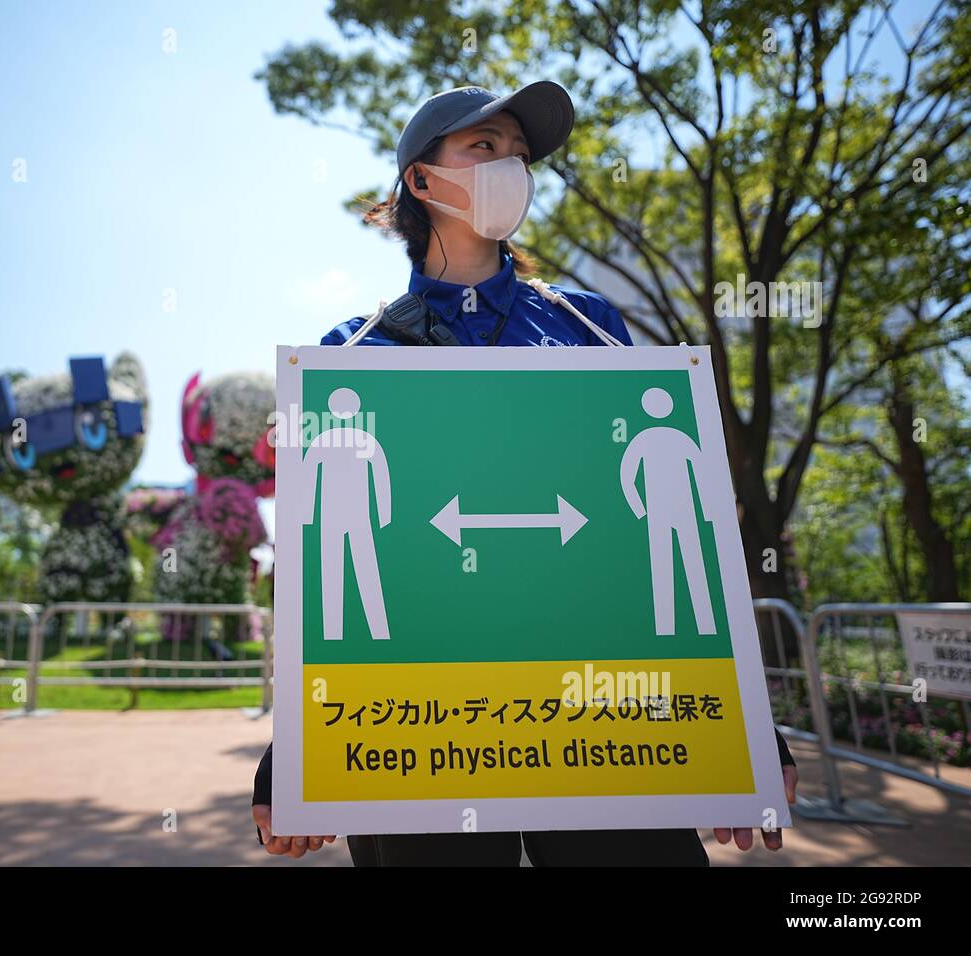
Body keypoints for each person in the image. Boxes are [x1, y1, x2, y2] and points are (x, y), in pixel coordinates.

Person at [251, 80, 799, 865]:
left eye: (518, 153)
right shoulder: (350, 352)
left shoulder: (590, 325)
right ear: (420, 180)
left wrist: (747, 733)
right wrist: (294, 757)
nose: (510, 166)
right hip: (418, 728)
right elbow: (322, 578)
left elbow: (665, 554)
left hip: (602, 723)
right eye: (484, 148)